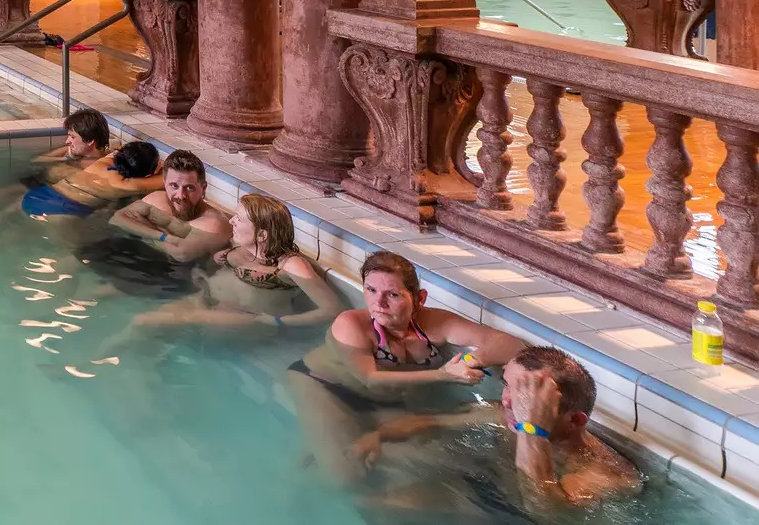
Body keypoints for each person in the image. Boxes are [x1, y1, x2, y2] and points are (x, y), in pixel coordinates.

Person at [287, 249, 525, 485]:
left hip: (386, 402)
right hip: (326, 387)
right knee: (346, 477)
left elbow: (511, 344)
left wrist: (470, 361)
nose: (378, 303)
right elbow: (370, 378)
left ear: (419, 298)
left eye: (392, 294)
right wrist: (443, 375)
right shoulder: (350, 324)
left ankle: (329, 444)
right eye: (370, 290)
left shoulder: (434, 323)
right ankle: (309, 468)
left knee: (439, 460)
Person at [347, 345, 641, 510]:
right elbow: (427, 421)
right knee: (374, 504)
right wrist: (376, 436)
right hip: (484, 496)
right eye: (508, 387)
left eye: (528, 398)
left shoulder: (605, 473)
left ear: (575, 420)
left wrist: (532, 430)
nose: (509, 402)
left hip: (530, 518)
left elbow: (548, 514)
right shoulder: (504, 415)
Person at [128, 194, 342, 333]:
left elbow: (332, 310)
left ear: (262, 235)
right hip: (205, 301)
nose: (231, 221)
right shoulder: (239, 249)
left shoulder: (291, 265)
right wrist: (202, 274)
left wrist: (279, 322)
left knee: (147, 323)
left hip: (244, 319)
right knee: (136, 325)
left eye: (239, 219)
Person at [107, 148, 231, 263]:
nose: (180, 195)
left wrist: (141, 227)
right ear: (164, 183)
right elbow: (117, 219)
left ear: (203, 188)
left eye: (189, 188)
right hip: (139, 260)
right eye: (174, 186)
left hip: (181, 275)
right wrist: (164, 237)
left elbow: (181, 254)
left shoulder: (213, 223)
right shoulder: (157, 199)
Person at [19, 137, 164, 217]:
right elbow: (166, 178)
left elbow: (117, 151)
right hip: (62, 210)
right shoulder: (126, 185)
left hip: (38, 195)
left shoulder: (102, 163)